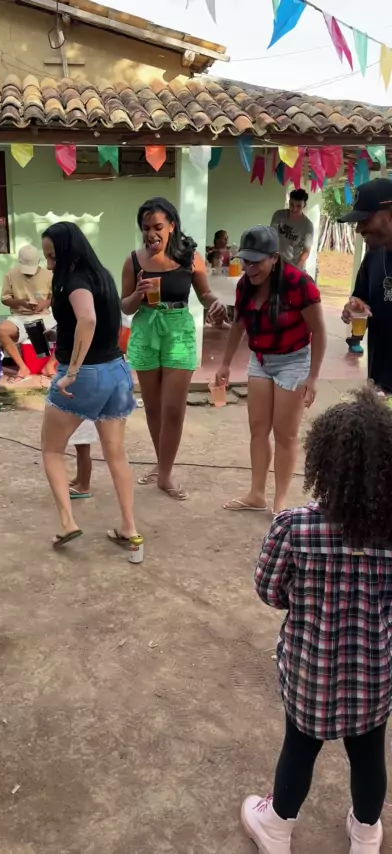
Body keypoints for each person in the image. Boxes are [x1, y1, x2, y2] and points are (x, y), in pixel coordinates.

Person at [241, 388, 392, 854]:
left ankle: (277, 827)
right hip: (374, 674)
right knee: (368, 754)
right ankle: (366, 833)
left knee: (300, 746)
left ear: (322, 462)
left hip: (311, 669)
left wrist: (307, 601)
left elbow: (269, 590)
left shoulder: (294, 527)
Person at [41, 221, 139, 549]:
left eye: (53, 256)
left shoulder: (75, 279)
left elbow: (87, 319)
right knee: (116, 454)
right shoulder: (102, 275)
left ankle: (67, 522)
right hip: (117, 372)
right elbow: (89, 319)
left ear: (68, 251)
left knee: (52, 450)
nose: (50, 264)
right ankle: (129, 527)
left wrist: (72, 371)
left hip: (85, 375)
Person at [216, 226, 326, 515]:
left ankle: (280, 502)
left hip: (294, 360)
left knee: (285, 433)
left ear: (274, 258)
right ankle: (256, 494)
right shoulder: (245, 285)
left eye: (257, 261)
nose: (250, 268)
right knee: (258, 427)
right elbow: (238, 323)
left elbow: (319, 331)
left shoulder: (298, 283)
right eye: (246, 261)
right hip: (261, 359)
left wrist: (313, 378)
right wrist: (225, 363)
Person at [122, 197, 226, 500]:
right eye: (145, 228)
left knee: (173, 409)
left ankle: (165, 474)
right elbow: (125, 306)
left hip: (178, 331)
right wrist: (137, 294)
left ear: (171, 226)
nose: (150, 233)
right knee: (153, 407)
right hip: (146, 329)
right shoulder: (133, 260)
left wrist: (215, 303)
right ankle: (162, 463)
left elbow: (204, 294)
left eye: (157, 226)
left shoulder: (190, 257)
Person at [339, 178, 392, 392]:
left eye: (365, 219)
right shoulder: (372, 257)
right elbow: (361, 299)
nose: (359, 229)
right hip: (379, 382)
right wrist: (354, 307)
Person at [0, 245, 55, 383]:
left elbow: (56, 297)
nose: (29, 273)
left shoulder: (49, 275)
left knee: (70, 329)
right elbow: (5, 299)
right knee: (1, 330)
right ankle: (23, 368)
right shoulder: (10, 274)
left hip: (45, 317)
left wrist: (45, 303)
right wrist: (20, 302)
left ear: (38, 261)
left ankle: (50, 366)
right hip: (20, 318)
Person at [271, 189, 314, 270]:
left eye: (298, 206)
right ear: (289, 202)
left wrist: (296, 268)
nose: (294, 209)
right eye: (292, 204)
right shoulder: (278, 215)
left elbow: (306, 251)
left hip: (293, 264)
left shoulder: (307, 225)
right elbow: (271, 237)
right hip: (275, 262)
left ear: (304, 205)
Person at [67, 419, 99, 500]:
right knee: (80, 449)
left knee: (83, 449)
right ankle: (79, 479)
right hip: (81, 419)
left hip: (83, 419)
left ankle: (84, 487)